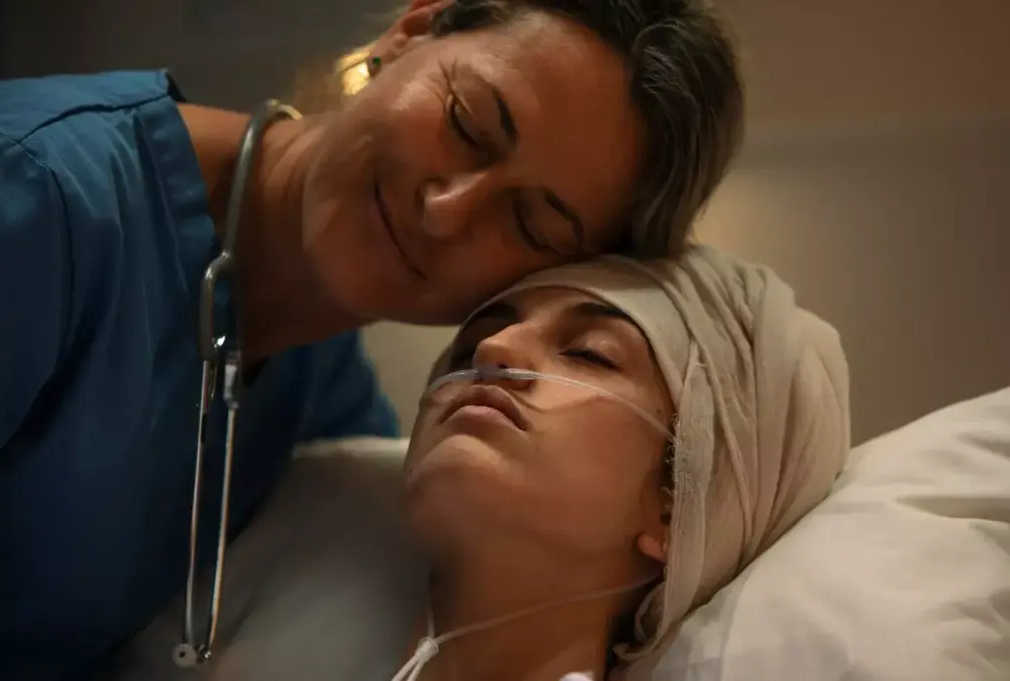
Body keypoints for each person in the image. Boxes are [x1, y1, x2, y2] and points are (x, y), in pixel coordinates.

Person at [0, 1, 744, 677]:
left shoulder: (321, 388)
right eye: (466, 124)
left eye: (530, 223)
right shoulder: (29, 197)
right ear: (408, 33)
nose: (446, 210)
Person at [103, 244, 850, 680]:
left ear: (676, 505)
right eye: (470, 345)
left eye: (588, 353)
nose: (492, 352)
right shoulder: (296, 513)